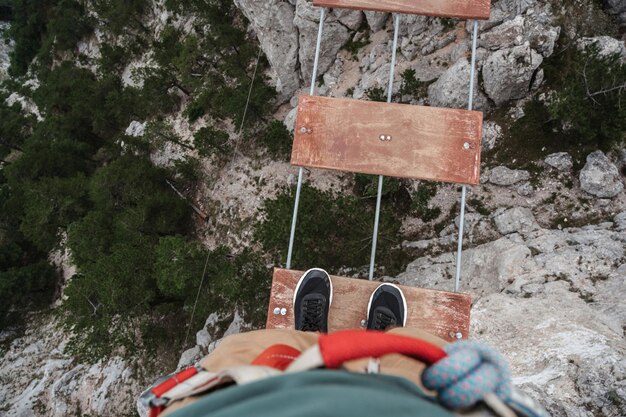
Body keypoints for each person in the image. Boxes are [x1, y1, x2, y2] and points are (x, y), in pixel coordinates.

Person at [143, 269, 546, 417]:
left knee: (248, 350)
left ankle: (317, 338)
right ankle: (376, 343)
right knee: (410, 350)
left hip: (229, 401)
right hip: (411, 404)